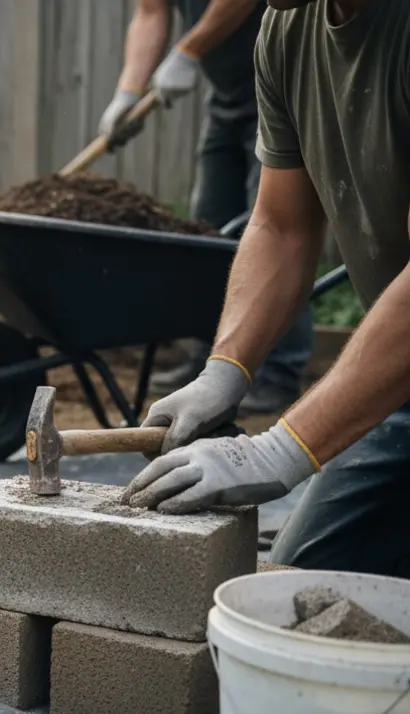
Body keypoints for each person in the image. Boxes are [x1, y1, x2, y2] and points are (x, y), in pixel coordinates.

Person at [121, 0, 410, 579]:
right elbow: (282, 225)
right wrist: (224, 372)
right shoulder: (286, 28)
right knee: (302, 584)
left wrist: (280, 450)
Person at [100, 0, 314, 415]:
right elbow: (150, 12)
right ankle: (210, 363)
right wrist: (129, 89)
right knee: (208, 228)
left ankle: (277, 373)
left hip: (284, 87)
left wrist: (188, 50)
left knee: (276, 225)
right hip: (228, 96)